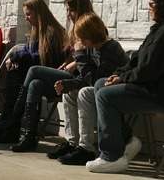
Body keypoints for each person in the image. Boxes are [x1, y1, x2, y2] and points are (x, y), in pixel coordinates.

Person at [86, 0, 164, 173]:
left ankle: (112, 156)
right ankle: (126, 141)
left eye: (152, 3)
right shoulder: (160, 30)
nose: (149, 8)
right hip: (155, 88)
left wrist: (122, 80)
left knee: (106, 96)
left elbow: (148, 70)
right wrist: (118, 75)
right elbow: (136, 61)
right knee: (100, 84)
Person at [45, 13, 129, 165]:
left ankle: (86, 148)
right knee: (69, 93)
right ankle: (72, 143)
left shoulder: (110, 50)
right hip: (99, 89)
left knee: (84, 93)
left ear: (92, 35)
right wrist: (68, 84)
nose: (80, 42)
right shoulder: (93, 48)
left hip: (115, 92)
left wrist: (80, 55)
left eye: (83, 38)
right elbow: (87, 76)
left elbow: (95, 80)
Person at [0, 0, 69, 121]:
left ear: (39, 13)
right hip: (35, 76)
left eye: (28, 14)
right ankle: (12, 120)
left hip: (51, 74)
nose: (26, 18)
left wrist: (16, 58)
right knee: (16, 73)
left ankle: (10, 118)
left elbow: (39, 57)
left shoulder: (53, 32)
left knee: (17, 74)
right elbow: (26, 51)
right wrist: (14, 58)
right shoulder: (34, 31)